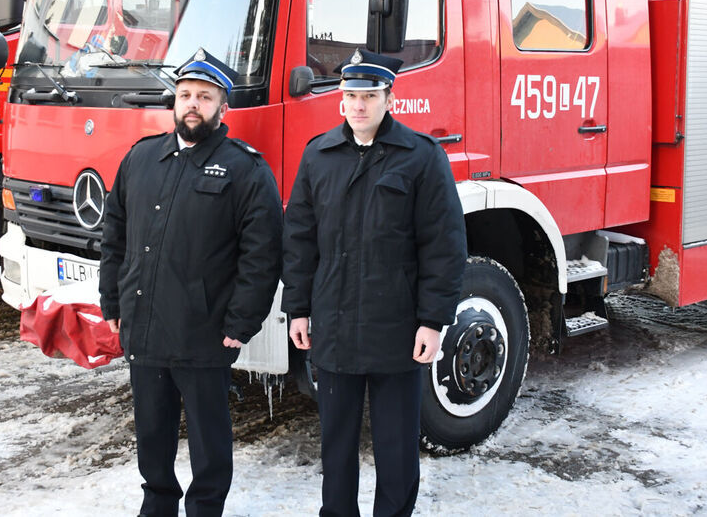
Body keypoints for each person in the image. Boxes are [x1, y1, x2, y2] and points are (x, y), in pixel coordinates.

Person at [282, 49, 467, 517]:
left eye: (369, 96)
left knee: (396, 449)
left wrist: (432, 321)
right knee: (337, 448)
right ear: (340, 100)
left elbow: (443, 245)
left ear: (389, 98)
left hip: (397, 331)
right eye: (350, 96)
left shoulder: (421, 158)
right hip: (335, 328)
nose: (358, 105)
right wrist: (298, 307)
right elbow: (300, 241)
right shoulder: (318, 156)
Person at [99, 48, 283, 517]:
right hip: (144, 327)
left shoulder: (245, 169)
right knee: (152, 435)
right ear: (173, 103)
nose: (193, 104)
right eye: (185, 95)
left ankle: (205, 510)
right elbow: (114, 236)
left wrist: (241, 324)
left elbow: (261, 257)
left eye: (204, 96)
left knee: (209, 443)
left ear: (223, 106)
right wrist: (112, 302)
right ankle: (157, 505)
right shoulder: (141, 159)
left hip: (204, 332)